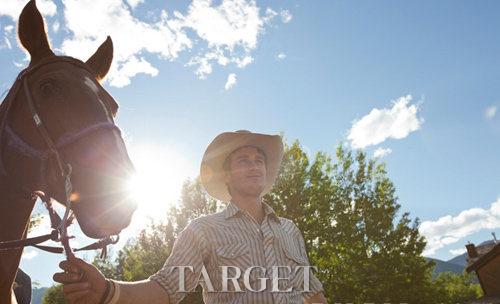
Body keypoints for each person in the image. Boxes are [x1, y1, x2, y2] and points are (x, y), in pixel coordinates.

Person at [54, 130, 327, 304]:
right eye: (243, 160)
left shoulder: (290, 230)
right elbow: (166, 288)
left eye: (259, 160)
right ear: (227, 176)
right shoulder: (203, 230)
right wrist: (106, 291)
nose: (254, 166)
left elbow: (312, 294)